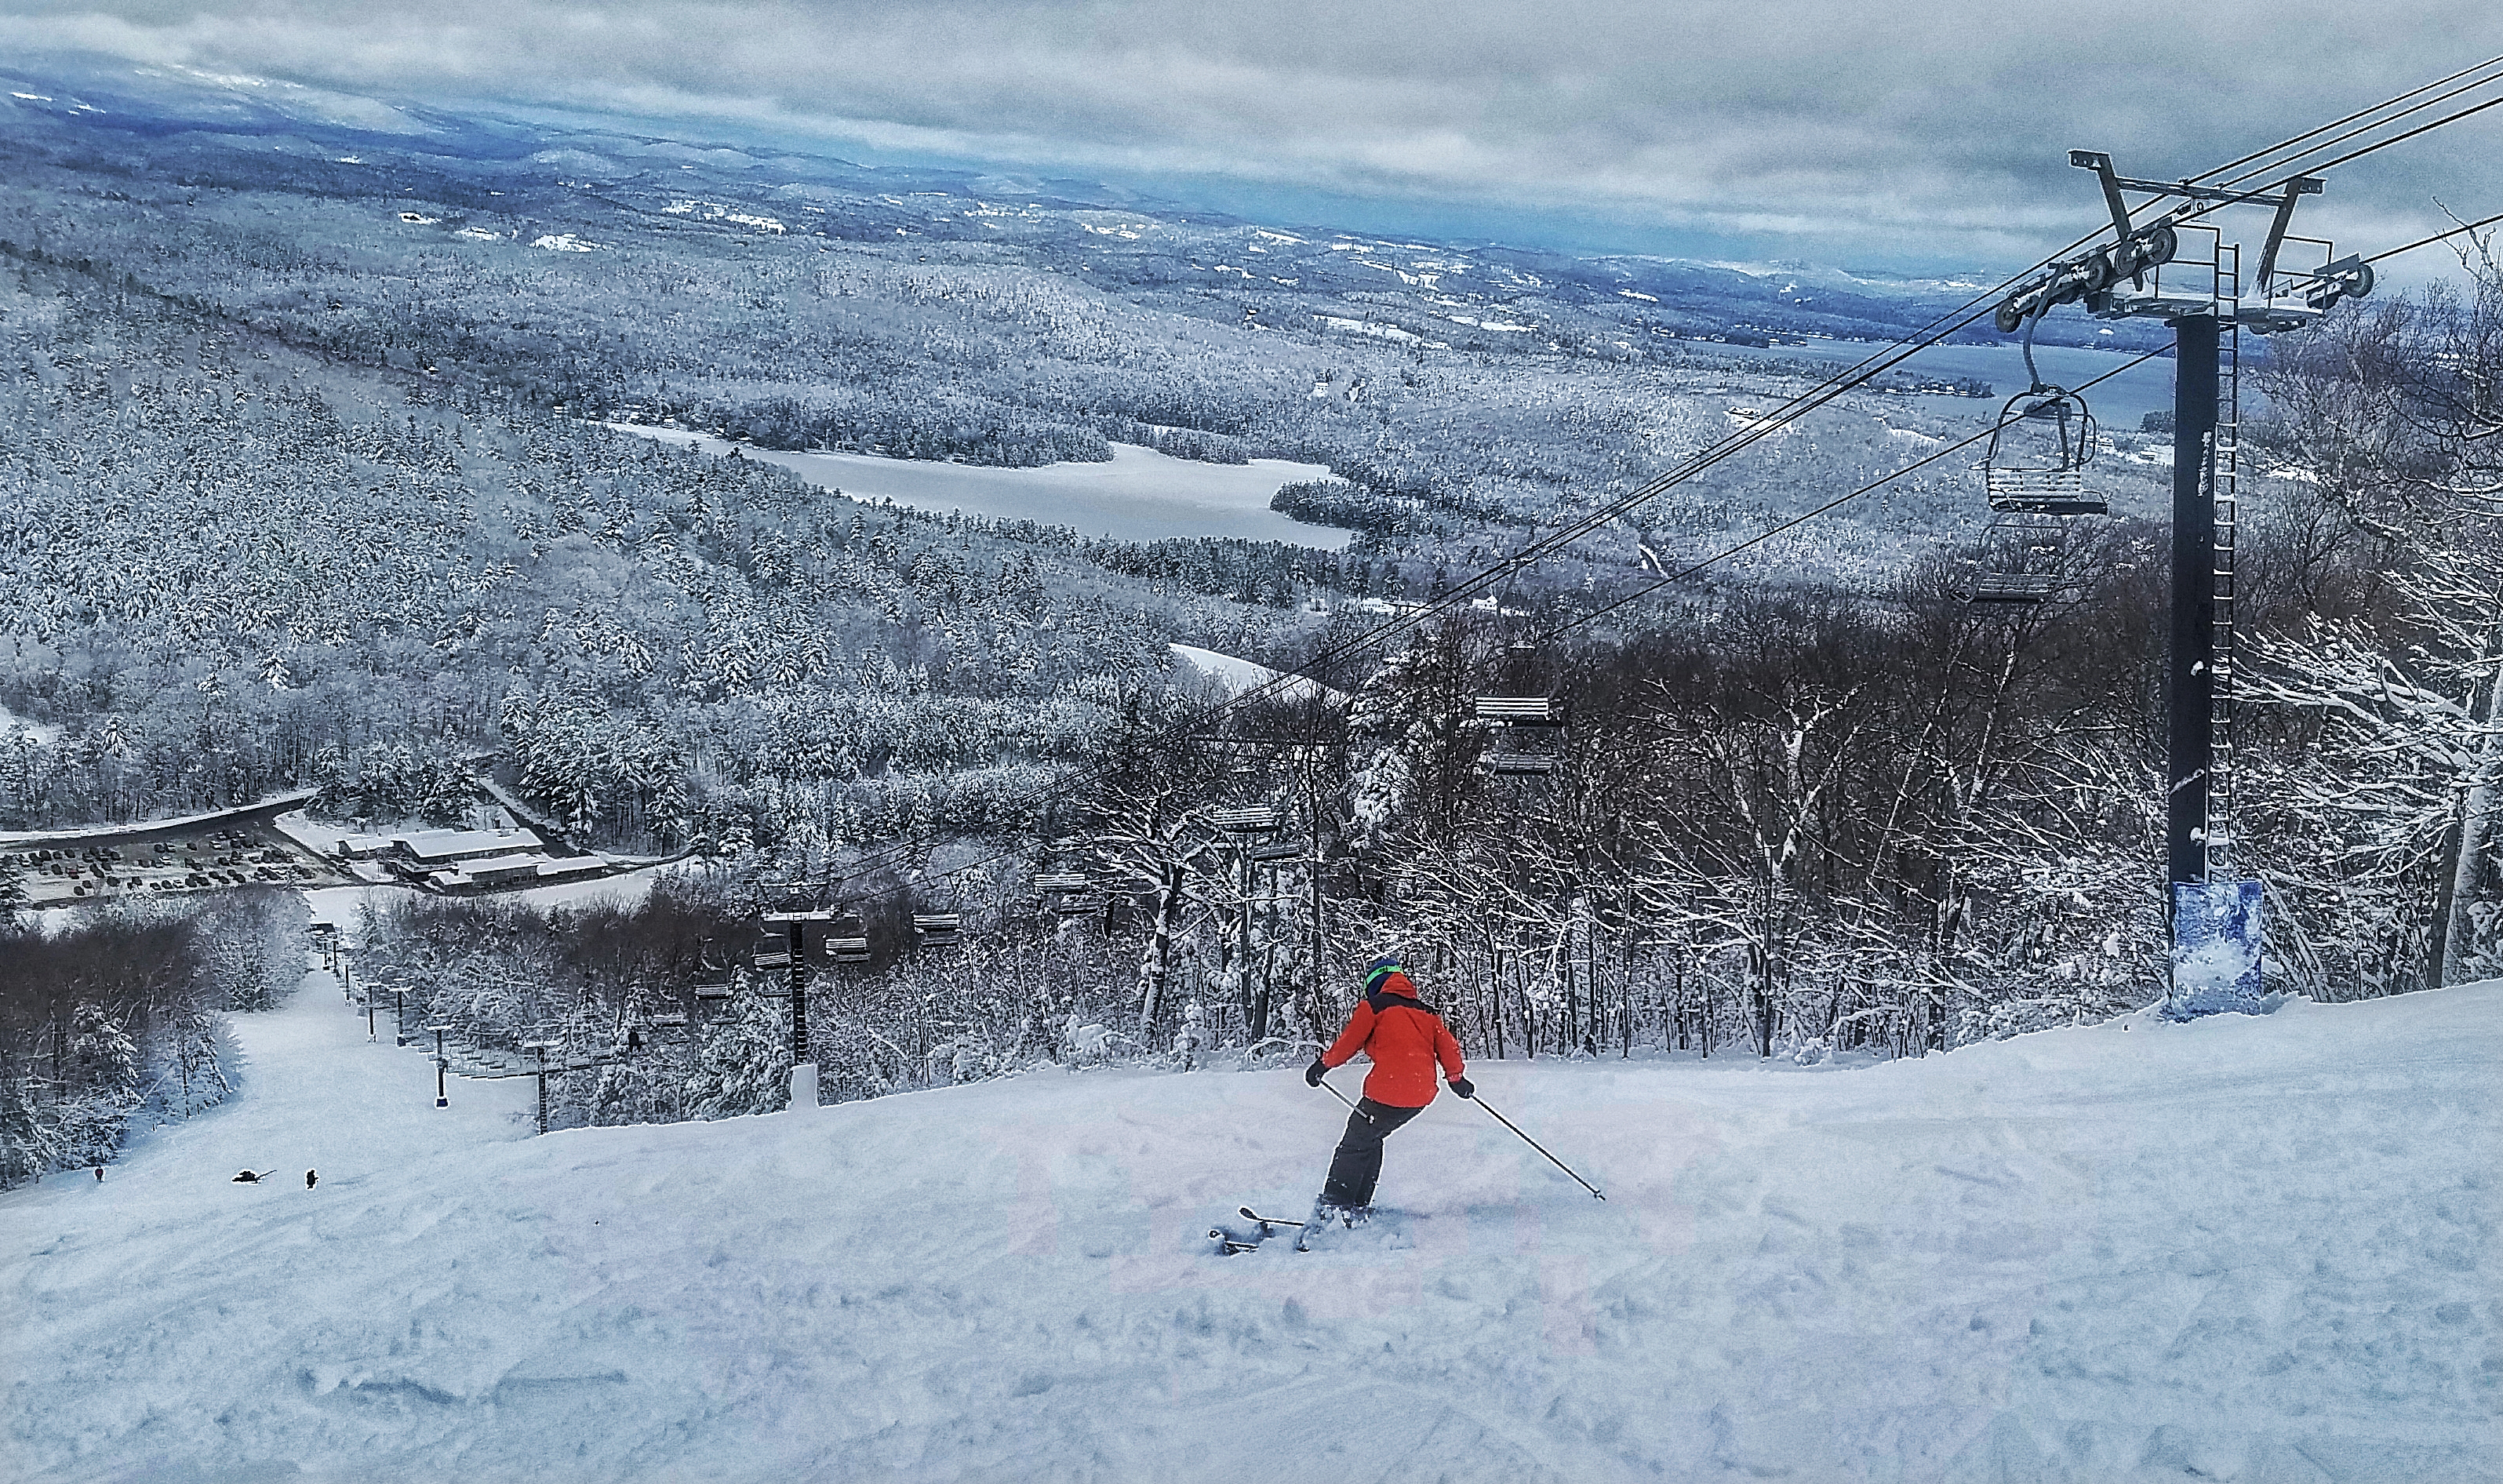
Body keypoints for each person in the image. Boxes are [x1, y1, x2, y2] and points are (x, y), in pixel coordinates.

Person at [1304, 955, 1473, 1222]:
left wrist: (1322, 1066)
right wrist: (1456, 1079)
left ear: (1374, 985)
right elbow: (1449, 1048)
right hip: (1420, 1095)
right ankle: (1356, 1206)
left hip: (1387, 1090)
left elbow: (1350, 1042)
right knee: (1370, 1137)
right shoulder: (1427, 1013)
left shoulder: (1374, 1007)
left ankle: (1334, 1210)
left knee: (1356, 1141)